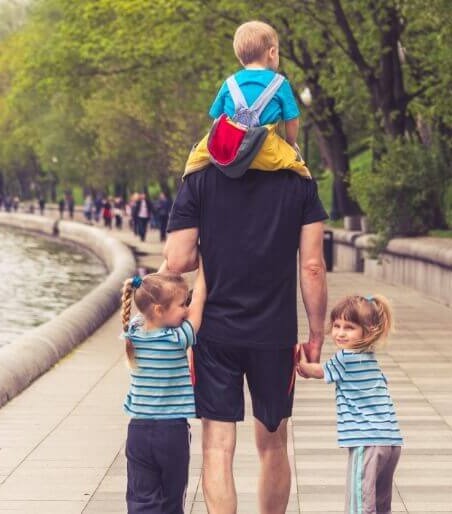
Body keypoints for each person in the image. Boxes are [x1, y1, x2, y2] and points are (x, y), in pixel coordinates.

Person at [164, 108, 328, 513]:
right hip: (275, 333)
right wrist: (316, 333)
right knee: (273, 443)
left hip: (214, 331)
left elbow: (179, 258)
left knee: (217, 446)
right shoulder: (298, 181)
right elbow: (312, 266)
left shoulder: (200, 177)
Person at [297, 295, 403, 514]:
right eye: (336, 325)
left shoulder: (345, 358)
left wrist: (303, 365)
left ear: (369, 330)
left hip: (367, 441)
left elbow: (319, 371)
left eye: (349, 327)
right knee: (381, 503)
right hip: (391, 442)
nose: (340, 333)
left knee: (360, 503)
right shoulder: (369, 357)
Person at [120, 263, 207, 514]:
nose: (186, 309)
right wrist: (205, 267)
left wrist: (164, 271)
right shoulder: (177, 339)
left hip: (138, 431)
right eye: (182, 304)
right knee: (171, 498)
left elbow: (145, 299)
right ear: (159, 309)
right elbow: (199, 303)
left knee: (140, 498)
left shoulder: (132, 333)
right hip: (171, 432)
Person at [183, 21, 309, 180]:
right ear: (272, 52)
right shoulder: (280, 84)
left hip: (231, 151)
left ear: (241, 57)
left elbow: (217, 121)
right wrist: (290, 144)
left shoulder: (229, 83)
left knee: (194, 162)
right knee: (302, 174)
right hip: (268, 152)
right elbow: (292, 121)